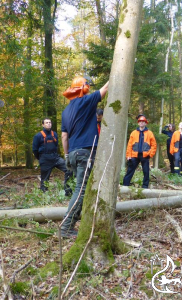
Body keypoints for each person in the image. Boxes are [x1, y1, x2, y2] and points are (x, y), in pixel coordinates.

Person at [61, 76, 109, 237]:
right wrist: (115, 75)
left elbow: (64, 136)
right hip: (85, 153)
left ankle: (81, 222)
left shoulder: (66, 111)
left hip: (74, 153)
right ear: (84, 88)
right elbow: (105, 89)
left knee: (82, 189)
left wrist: (67, 155)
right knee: (80, 191)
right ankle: (66, 227)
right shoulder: (86, 102)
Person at [32, 118, 72, 194]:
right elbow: (34, 149)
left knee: (69, 169)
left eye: (50, 122)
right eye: (46, 123)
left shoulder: (55, 134)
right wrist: (40, 158)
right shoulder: (38, 136)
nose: (49, 124)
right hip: (45, 158)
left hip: (55, 157)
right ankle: (44, 195)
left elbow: (56, 145)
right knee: (45, 179)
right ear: (43, 125)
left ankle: (67, 190)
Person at [123, 115, 157, 188]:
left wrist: (150, 154)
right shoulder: (133, 133)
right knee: (130, 171)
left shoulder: (149, 133)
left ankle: (145, 187)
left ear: (145, 123)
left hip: (145, 155)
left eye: (143, 122)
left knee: (146, 172)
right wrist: (128, 155)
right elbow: (129, 145)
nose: (141, 123)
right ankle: (125, 186)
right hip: (134, 155)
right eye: (140, 121)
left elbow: (154, 145)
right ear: (138, 123)